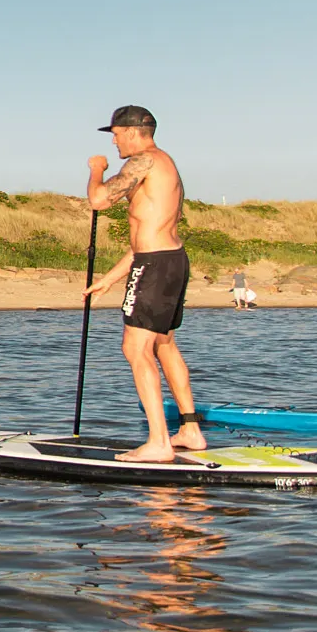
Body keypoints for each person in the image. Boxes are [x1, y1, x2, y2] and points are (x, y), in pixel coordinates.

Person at [80, 106, 205, 462]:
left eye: (117, 134)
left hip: (156, 265)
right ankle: (191, 430)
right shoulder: (164, 163)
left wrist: (95, 171)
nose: (115, 141)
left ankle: (159, 443)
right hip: (168, 260)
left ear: (133, 131)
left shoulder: (144, 161)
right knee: (164, 344)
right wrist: (110, 278)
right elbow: (146, 239)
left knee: (136, 349)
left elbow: (99, 200)